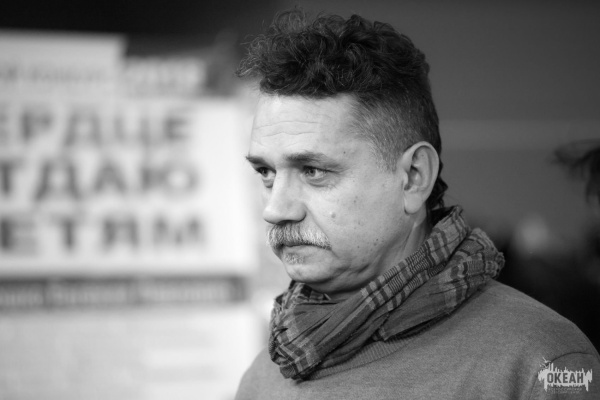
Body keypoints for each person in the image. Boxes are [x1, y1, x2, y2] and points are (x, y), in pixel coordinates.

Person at [234, 9, 600, 399]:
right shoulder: (266, 375)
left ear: (413, 177)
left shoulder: (541, 364)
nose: (276, 209)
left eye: (313, 171)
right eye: (266, 172)